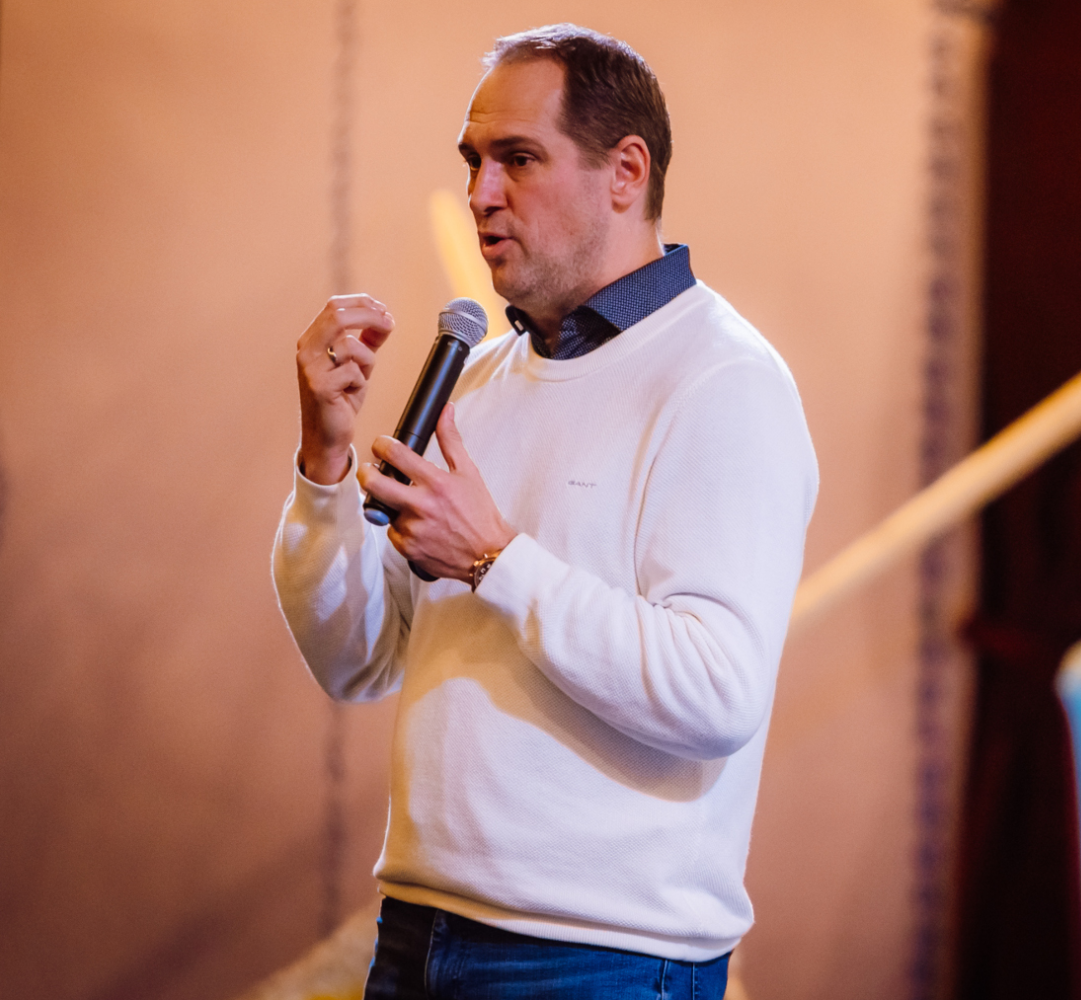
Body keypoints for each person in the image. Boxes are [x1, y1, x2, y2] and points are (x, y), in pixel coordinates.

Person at [274, 23, 817, 1000]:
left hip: (600, 961)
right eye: (473, 161)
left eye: (518, 159)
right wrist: (324, 461)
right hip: (416, 934)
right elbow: (354, 657)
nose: (482, 193)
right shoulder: (477, 378)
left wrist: (495, 559)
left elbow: (716, 690)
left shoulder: (723, 380)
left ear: (625, 172)